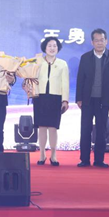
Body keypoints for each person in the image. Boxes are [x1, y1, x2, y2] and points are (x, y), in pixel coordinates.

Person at [75, 28, 109, 168]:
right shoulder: (85, 57)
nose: (99, 43)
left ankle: (99, 160)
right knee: (85, 129)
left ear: (106, 41)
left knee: (101, 130)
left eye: (102, 40)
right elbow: (80, 79)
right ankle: (84, 159)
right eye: (96, 40)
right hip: (87, 99)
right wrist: (79, 98)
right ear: (92, 42)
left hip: (104, 99)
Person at [33, 37, 70, 166]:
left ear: (58, 48)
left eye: (55, 46)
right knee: (42, 127)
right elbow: (31, 78)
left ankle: (53, 155)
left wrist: (65, 100)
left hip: (55, 98)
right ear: (45, 47)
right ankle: (42, 154)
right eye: (49, 45)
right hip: (40, 97)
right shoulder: (37, 62)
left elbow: (65, 83)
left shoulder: (62, 64)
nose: (52, 48)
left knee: (53, 128)